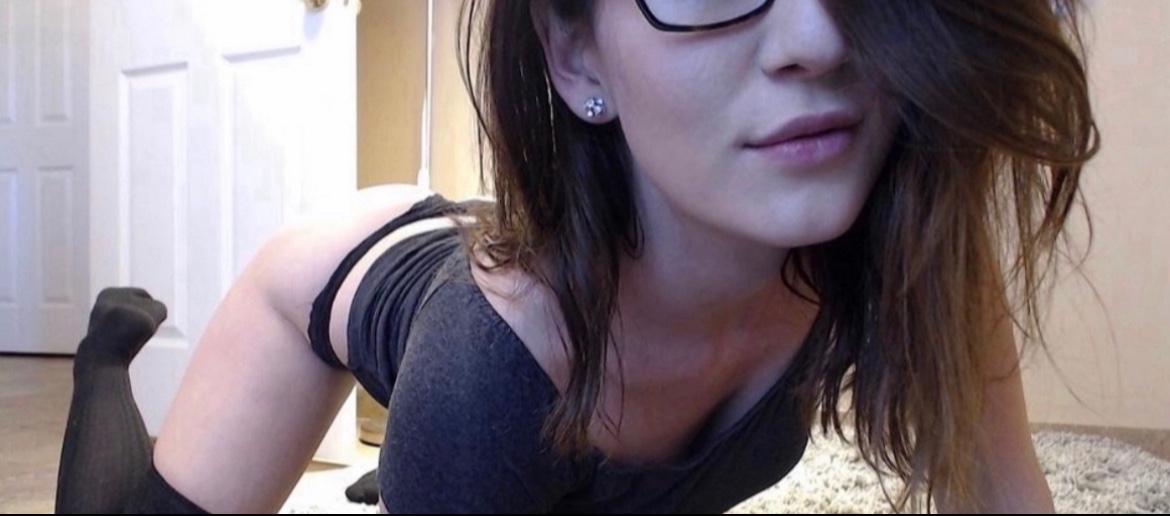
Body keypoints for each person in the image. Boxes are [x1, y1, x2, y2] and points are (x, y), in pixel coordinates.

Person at [55, 0, 1099, 513]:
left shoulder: (908, 252)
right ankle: (103, 358)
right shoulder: (485, 380)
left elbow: (1007, 498)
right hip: (353, 271)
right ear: (573, 53)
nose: (820, 41)